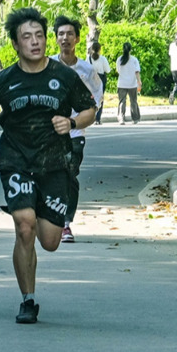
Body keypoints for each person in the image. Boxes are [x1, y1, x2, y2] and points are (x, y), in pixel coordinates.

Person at [0, 7, 96, 324]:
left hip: (54, 163)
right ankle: (28, 300)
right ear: (16, 43)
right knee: (24, 227)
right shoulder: (3, 81)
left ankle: (34, 207)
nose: (34, 42)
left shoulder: (63, 76)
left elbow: (90, 109)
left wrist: (73, 121)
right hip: (16, 159)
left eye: (39, 36)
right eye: (27, 37)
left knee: (49, 241)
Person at [50, 16, 103, 243]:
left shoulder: (87, 70)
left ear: (78, 39)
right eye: (61, 34)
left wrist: (77, 121)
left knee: (69, 175)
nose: (65, 38)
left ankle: (65, 224)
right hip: (48, 134)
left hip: (75, 134)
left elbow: (95, 103)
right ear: (56, 38)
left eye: (69, 34)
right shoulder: (46, 66)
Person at [115, 42, 141, 125]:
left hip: (122, 83)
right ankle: (135, 118)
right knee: (133, 101)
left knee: (122, 101)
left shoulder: (119, 59)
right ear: (130, 49)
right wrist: (139, 81)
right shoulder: (134, 59)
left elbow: (118, 71)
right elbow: (137, 72)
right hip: (132, 83)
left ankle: (121, 119)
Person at [86, 41, 110, 125]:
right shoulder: (103, 59)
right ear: (100, 49)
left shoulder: (88, 58)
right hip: (101, 79)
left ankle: (91, 117)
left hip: (91, 79)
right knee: (100, 99)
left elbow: (86, 70)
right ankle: (98, 118)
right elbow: (107, 70)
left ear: (92, 49)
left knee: (92, 98)